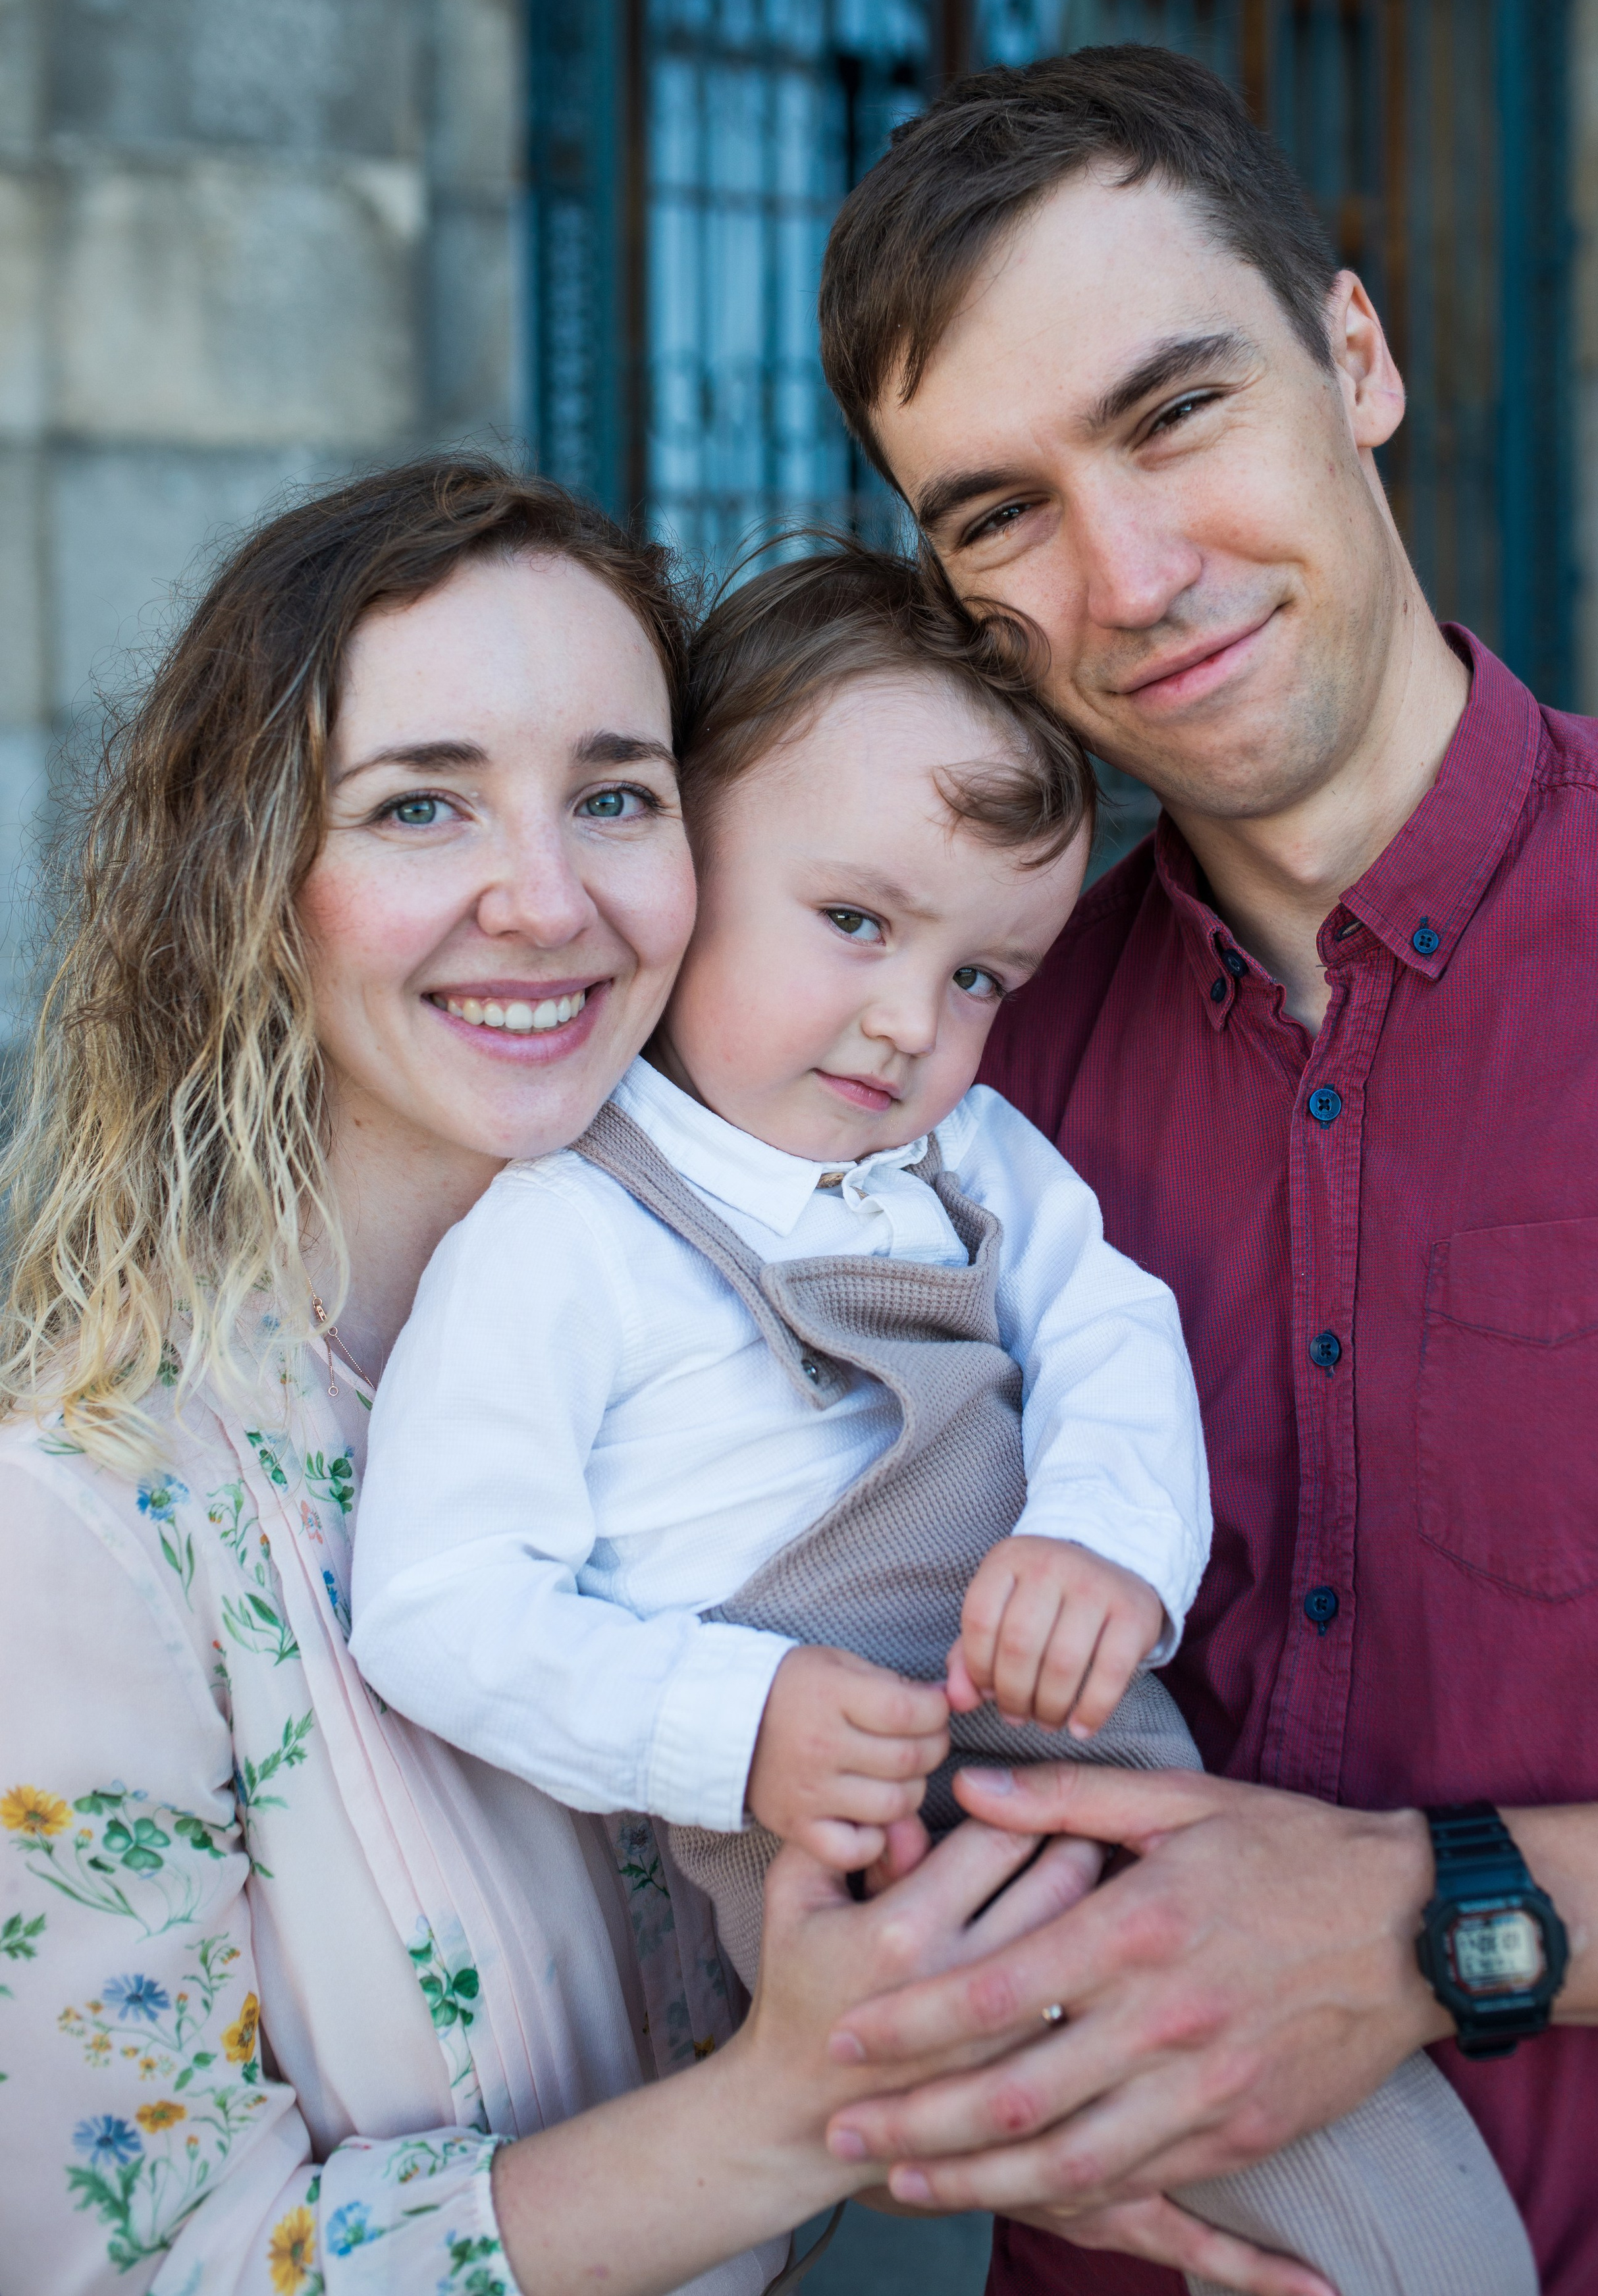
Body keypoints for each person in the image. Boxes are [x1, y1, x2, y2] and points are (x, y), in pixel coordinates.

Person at [350, 541, 1536, 2296]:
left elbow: (1112, 1333)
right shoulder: (567, 1235)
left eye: (987, 975)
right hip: (843, 1831)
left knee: (1349, 2154)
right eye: (855, 923)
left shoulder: (969, 1160)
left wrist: (1103, 1538)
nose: (915, 1022)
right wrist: (735, 1720)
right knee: (1242, 2160)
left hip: (1083, 1747)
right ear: (688, 872)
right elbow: (439, 1607)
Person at [0, 458, 1127, 2296]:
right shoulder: (84, 1526)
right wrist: (783, 2107)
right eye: (421, 805)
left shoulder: (799, 1302)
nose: (545, 898)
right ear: (251, 874)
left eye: (614, 793)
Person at [806, 45, 1598, 2296]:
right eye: (998, 510)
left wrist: (1430, 1917)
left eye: (1175, 409)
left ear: (1356, 356)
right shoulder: (947, 1103)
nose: (1134, 574)